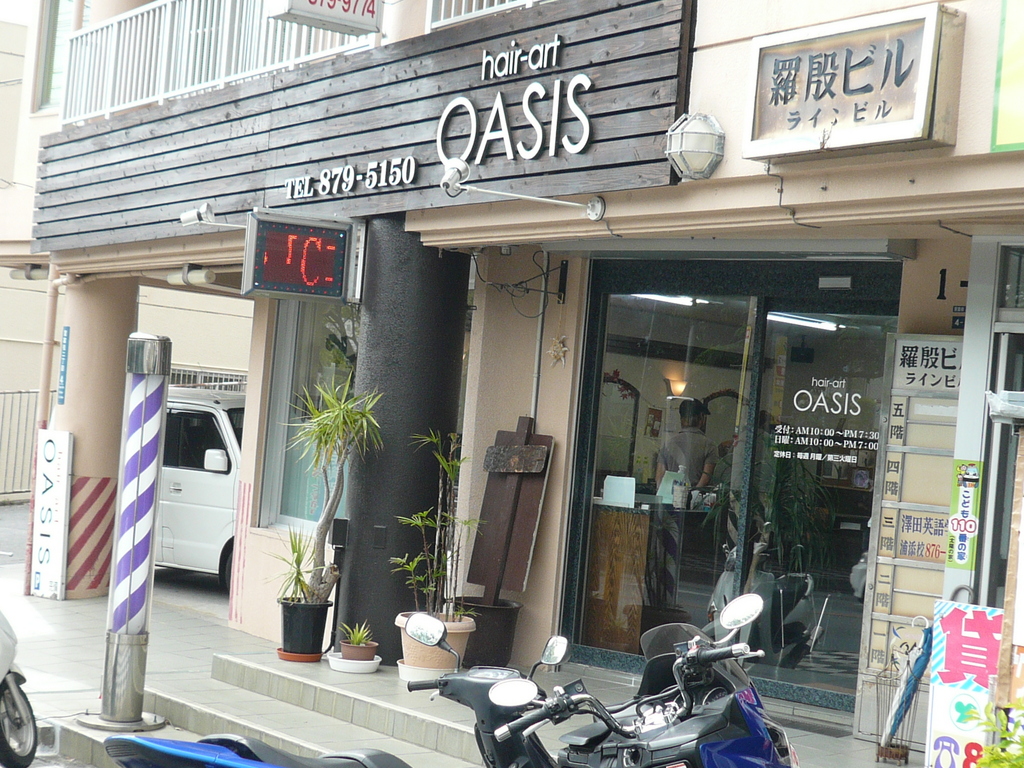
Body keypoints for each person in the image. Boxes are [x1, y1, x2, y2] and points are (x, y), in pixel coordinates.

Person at [655, 396, 718, 489]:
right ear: (701, 418)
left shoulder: (668, 444)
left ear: (681, 419)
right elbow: (706, 478)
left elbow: (659, 476)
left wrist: (664, 494)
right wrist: (692, 494)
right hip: (695, 494)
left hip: (669, 494)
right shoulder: (709, 445)